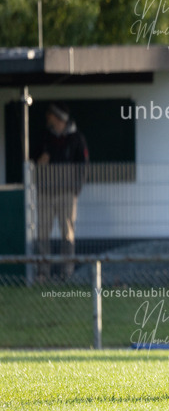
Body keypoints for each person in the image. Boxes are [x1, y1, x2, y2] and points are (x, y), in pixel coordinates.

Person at [35, 103, 89, 280]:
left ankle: (67, 273)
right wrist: (39, 163)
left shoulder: (76, 138)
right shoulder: (44, 136)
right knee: (42, 232)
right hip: (45, 192)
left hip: (67, 193)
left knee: (67, 232)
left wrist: (76, 190)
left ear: (59, 118)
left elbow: (83, 165)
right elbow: (32, 161)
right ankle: (43, 273)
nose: (48, 120)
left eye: (51, 116)